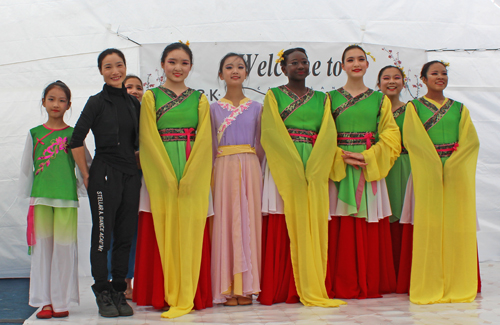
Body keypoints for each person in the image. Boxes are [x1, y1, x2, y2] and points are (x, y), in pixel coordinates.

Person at [260, 47, 345, 308]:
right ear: (283, 68)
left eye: (304, 62)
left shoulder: (322, 98)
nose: (300, 66)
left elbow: (329, 134)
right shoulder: (273, 96)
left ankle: (312, 282)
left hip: (314, 162)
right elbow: (271, 132)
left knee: (312, 220)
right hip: (284, 162)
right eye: (294, 62)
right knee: (283, 220)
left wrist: (316, 166)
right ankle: (283, 287)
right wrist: (292, 165)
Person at [138, 42, 213, 318]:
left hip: (193, 167)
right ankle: (166, 291)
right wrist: (165, 175)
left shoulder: (200, 99)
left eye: (183, 62)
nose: (177, 68)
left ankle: (191, 291)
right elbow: (148, 137)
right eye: (172, 62)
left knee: (192, 227)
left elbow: (205, 140)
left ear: (191, 66)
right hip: (162, 168)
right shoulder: (151, 97)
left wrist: (193, 173)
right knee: (165, 224)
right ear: (162, 65)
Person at [70, 48, 141, 317]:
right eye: (108, 66)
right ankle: (102, 290)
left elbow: (140, 144)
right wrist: (87, 174)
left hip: (130, 176)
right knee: (103, 236)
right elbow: (76, 140)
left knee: (124, 236)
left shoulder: (134, 103)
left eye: (119, 65)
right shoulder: (96, 102)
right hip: (104, 173)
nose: (115, 71)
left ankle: (119, 290)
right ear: (101, 71)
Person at [402, 60, 480, 304]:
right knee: (430, 225)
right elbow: (413, 139)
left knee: (457, 224)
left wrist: (454, 164)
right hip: (428, 173)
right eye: (434, 73)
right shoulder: (413, 108)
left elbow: (470, 141)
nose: (440, 77)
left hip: (455, 173)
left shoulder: (459, 108)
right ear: (423, 79)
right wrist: (434, 165)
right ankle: (430, 282)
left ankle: (458, 282)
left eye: (444, 73)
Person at [327, 45, 400, 299]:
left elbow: (391, 135)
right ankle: (342, 280)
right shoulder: (330, 98)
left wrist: (367, 155)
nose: (356, 63)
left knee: (368, 224)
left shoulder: (379, 99)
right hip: (340, 166)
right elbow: (323, 134)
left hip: (368, 165)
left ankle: (369, 280)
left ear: (367, 65)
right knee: (340, 225)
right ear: (342, 66)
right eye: (350, 60)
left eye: (361, 59)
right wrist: (340, 155)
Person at [18, 81, 85, 319]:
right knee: (42, 251)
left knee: (64, 251)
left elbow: (83, 165)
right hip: (42, 199)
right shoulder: (35, 134)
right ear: (44, 101)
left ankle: (60, 300)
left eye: (62, 100)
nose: (56, 104)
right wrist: (31, 196)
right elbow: (27, 168)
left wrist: (85, 188)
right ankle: (44, 302)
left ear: (69, 105)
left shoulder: (74, 134)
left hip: (66, 199)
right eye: (51, 99)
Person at [210, 53, 263, 306]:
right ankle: (229, 287)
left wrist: (254, 165)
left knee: (249, 223)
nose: (235, 71)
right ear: (220, 74)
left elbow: (262, 145)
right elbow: (208, 145)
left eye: (240, 67)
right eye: (229, 67)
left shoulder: (257, 108)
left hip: (250, 167)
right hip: (222, 167)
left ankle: (248, 287)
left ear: (246, 73)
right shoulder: (211, 109)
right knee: (226, 222)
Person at [106, 74, 144, 300]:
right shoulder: (111, 115)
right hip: (118, 177)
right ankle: (118, 281)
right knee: (118, 231)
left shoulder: (149, 117)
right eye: (129, 86)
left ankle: (132, 280)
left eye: (138, 87)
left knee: (137, 231)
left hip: (144, 179)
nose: (134, 90)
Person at [376, 66, 412, 293]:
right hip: (380, 167)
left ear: (403, 82)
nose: (391, 82)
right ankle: (384, 276)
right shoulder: (373, 108)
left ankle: (406, 276)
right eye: (386, 78)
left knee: (406, 217)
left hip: (407, 167)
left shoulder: (413, 110)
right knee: (382, 218)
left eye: (396, 78)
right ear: (378, 82)